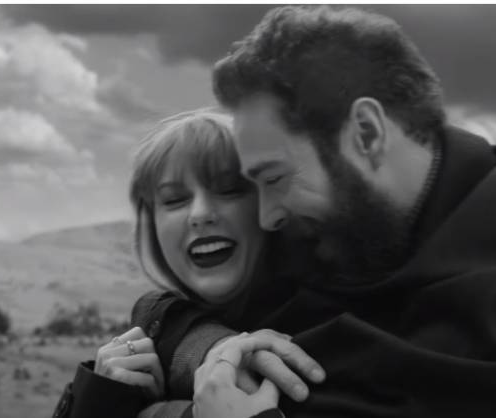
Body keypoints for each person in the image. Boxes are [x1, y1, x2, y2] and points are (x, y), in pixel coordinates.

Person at [134, 5, 496, 418]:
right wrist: (208, 348)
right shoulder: (353, 225)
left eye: (274, 178)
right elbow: (178, 308)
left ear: (366, 133)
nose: (267, 217)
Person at [52, 109, 324, 418]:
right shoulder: (155, 333)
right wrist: (99, 398)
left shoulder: (318, 338)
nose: (200, 214)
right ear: (152, 225)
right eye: (174, 200)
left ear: (271, 206)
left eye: (229, 190)